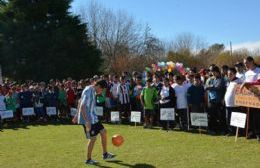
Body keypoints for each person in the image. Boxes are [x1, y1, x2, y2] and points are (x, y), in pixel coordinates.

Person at [77, 79, 115, 165]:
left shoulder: (93, 90)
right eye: (101, 89)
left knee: (103, 132)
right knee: (93, 138)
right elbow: (82, 106)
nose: (101, 91)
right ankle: (88, 159)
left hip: (93, 117)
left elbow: (80, 101)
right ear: (97, 85)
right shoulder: (88, 90)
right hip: (88, 119)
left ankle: (105, 154)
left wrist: (76, 116)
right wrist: (87, 121)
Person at [243, 56, 260, 141]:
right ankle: (251, 132)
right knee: (249, 115)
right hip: (248, 98)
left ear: (252, 61)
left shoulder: (258, 70)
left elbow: (259, 81)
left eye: (246, 63)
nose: (245, 64)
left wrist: (248, 83)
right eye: (244, 63)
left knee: (257, 116)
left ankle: (258, 134)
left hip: (257, 98)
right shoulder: (246, 73)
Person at [224, 67, 242, 135]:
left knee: (235, 119)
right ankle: (231, 131)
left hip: (235, 104)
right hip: (228, 104)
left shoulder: (239, 81)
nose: (229, 75)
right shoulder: (229, 82)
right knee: (228, 118)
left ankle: (237, 132)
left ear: (235, 74)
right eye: (228, 74)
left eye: (231, 74)